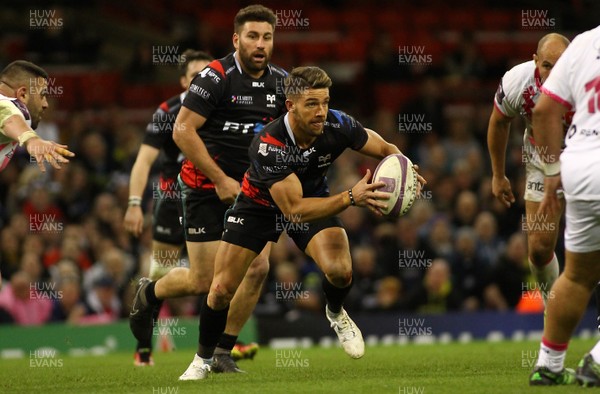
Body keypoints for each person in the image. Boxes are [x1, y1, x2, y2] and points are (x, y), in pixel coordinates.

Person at [183, 66, 425, 379]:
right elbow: (293, 209)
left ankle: (336, 313)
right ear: (290, 106)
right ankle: (203, 360)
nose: (321, 111)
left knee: (340, 272)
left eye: (325, 102)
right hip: (259, 207)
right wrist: (351, 197)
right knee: (219, 290)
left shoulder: (338, 123)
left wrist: (403, 166)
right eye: (312, 103)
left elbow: (382, 147)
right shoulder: (269, 143)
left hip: (314, 200)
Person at [129, 4, 287, 378]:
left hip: (251, 192)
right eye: (252, 36)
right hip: (203, 187)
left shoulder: (282, 82)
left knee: (257, 268)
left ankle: (221, 351)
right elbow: (182, 131)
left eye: (266, 36)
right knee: (204, 281)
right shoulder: (215, 76)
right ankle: (149, 294)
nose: (260, 44)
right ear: (236, 39)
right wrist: (219, 178)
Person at [123, 49, 213, 366]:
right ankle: (143, 347)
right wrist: (134, 204)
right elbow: (144, 160)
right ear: (183, 81)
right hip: (173, 198)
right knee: (159, 272)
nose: (201, 82)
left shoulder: (225, 107)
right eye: (194, 77)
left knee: (224, 271)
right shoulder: (167, 112)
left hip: (211, 197)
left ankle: (219, 345)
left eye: (207, 76)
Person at [529, 25, 600, 386]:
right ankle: (597, 362)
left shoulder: (586, 42)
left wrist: (554, 174)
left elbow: (543, 111)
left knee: (577, 275)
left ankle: (549, 365)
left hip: (580, 169)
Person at [487, 33, 569, 308]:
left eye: (561, 66)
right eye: (547, 65)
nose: (553, 74)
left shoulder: (589, 82)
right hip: (541, 161)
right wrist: (498, 175)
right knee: (539, 248)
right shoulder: (517, 81)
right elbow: (499, 123)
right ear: (535, 61)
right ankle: (553, 309)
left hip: (586, 156)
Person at [0, 60, 74, 173]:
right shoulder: (5, 104)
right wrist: (31, 139)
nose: (46, 104)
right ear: (23, 94)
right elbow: (9, 115)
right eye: (42, 95)